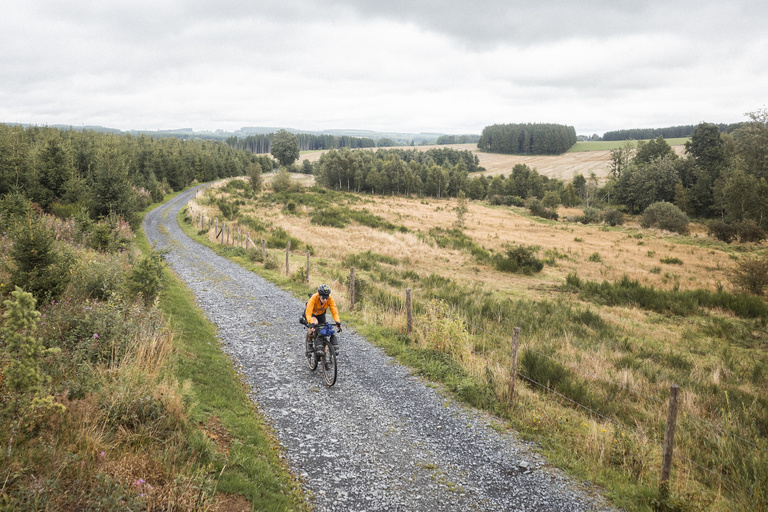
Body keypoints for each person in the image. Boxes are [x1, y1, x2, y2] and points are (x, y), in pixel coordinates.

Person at [305, 284, 341, 355]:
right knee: (315, 323)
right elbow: (308, 313)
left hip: (321, 314)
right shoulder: (313, 299)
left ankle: (324, 360)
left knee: (323, 331)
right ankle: (310, 342)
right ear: (319, 295)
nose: (325, 300)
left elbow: (334, 312)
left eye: (326, 298)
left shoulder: (330, 299)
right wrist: (311, 323)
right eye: (323, 298)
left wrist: (337, 321)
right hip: (312, 313)